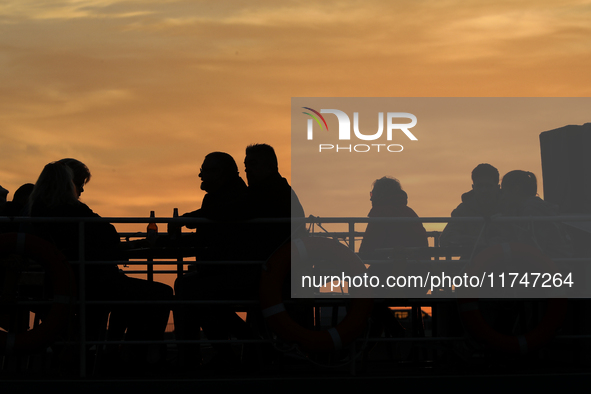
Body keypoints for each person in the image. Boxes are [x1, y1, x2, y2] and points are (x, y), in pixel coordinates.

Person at [29, 161, 173, 371]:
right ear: (68, 184)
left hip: (64, 283)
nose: (82, 189)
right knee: (162, 292)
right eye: (78, 184)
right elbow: (108, 233)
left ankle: (119, 354)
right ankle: (148, 354)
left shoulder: (38, 212)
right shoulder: (73, 210)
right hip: (92, 284)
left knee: (128, 295)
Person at [173, 152, 256, 369]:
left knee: (189, 289)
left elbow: (222, 216)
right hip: (222, 272)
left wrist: (190, 219)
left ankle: (194, 358)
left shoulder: (235, 195)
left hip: (236, 274)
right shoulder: (221, 196)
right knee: (187, 287)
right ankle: (203, 355)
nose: (200, 175)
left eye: (205, 170)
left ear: (220, 173)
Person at [440, 163, 501, 250]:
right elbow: (446, 238)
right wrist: (473, 241)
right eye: (480, 186)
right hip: (473, 260)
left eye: (488, 186)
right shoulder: (463, 210)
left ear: (497, 187)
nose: (484, 190)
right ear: (473, 187)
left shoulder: (509, 208)